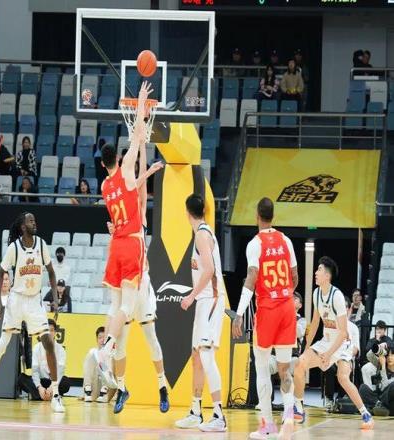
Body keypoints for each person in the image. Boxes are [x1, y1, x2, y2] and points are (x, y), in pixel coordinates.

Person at [93, 82, 152, 391]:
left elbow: (129, 191)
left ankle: (106, 349)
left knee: (115, 305)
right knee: (128, 307)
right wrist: (140, 103)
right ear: (117, 157)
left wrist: (148, 174)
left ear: (102, 163)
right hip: (130, 242)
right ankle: (106, 349)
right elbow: (139, 134)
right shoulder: (126, 169)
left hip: (114, 244)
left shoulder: (105, 186)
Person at [0, 212, 64, 413]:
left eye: (35, 220)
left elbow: (51, 272)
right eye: (31, 221)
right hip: (16, 299)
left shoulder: (41, 244)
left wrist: (55, 298)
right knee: (2, 346)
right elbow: (1, 273)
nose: (35, 223)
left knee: (48, 343)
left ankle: (56, 395)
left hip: (34, 300)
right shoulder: (14, 248)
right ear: (23, 227)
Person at [232, 197, 298, 439]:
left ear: (257, 216)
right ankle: (289, 414)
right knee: (284, 369)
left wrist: (239, 313)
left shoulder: (255, 244)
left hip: (268, 310)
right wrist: (284, 295)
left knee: (261, 369)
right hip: (287, 307)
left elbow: (251, 278)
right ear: (273, 216)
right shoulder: (286, 241)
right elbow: (294, 277)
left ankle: (268, 425)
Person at [109, 139, 167, 414]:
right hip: (127, 280)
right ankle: (122, 389)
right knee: (121, 344)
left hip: (141, 282)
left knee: (151, 338)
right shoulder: (122, 215)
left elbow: (139, 185)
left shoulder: (139, 213)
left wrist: (144, 149)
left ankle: (162, 386)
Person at [293, 256, 374, 430]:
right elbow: (315, 322)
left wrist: (329, 355)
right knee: (300, 364)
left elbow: (343, 332)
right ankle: (298, 407)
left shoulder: (336, 296)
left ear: (327, 276)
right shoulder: (316, 293)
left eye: (319, 270)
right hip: (326, 341)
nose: (316, 272)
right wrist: (306, 348)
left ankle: (365, 413)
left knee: (343, 378)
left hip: (341, 344)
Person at [175, 194, 227, 432]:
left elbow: (209, 270)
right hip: (204, 301)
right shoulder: (203, 233)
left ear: (187, 213)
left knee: (206, 356)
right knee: (196, 357)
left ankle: (218, 415)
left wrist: (190, 296)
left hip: (211, 300)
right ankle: (196, 411)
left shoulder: (202, 235)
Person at [323, 295, 360, 411]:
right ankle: (329, 399)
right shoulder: (331, 325)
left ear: (348, 310)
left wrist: (344, 357)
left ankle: (340, 398)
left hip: (346, 358)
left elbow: (356, 349)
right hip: (333, 357)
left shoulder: (353, 328)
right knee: (328, 367)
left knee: (344, 369)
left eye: (344, 307)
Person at [18, 319, 70, 400]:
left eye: (51, 330)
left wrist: (52, 386)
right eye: (46, 331)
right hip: (41, 381)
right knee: (21, 378)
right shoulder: (37, 348)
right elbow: (35, 371)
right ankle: (50, 394)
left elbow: (60, 371)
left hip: (53, 382)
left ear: (55, 332)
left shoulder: (60, 349)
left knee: (66, 382)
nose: (49, 333)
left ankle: (38, 395)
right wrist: (39, 387)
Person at [359, 341, 394, 416]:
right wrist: (379, 346)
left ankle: (376, 408)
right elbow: (369, 355)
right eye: (388, 355)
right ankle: (378, 406)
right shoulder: (380, 363)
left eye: (392, 355)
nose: (390, 358)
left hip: (389, 400)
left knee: (393, 386)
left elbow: (385, 387)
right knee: (363, 388)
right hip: (378, 398)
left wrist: (383, 367)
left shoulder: (382, 365)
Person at [83, 326, 116, 403]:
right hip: (95, 389)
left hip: (108, 389)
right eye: (100, 337)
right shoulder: (93, 353)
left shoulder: (114, 353)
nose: (102, 340)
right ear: (97, 340)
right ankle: (87, 390)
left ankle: (104, 390)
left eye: (104, 338)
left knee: (108, 356)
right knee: (91, 353)